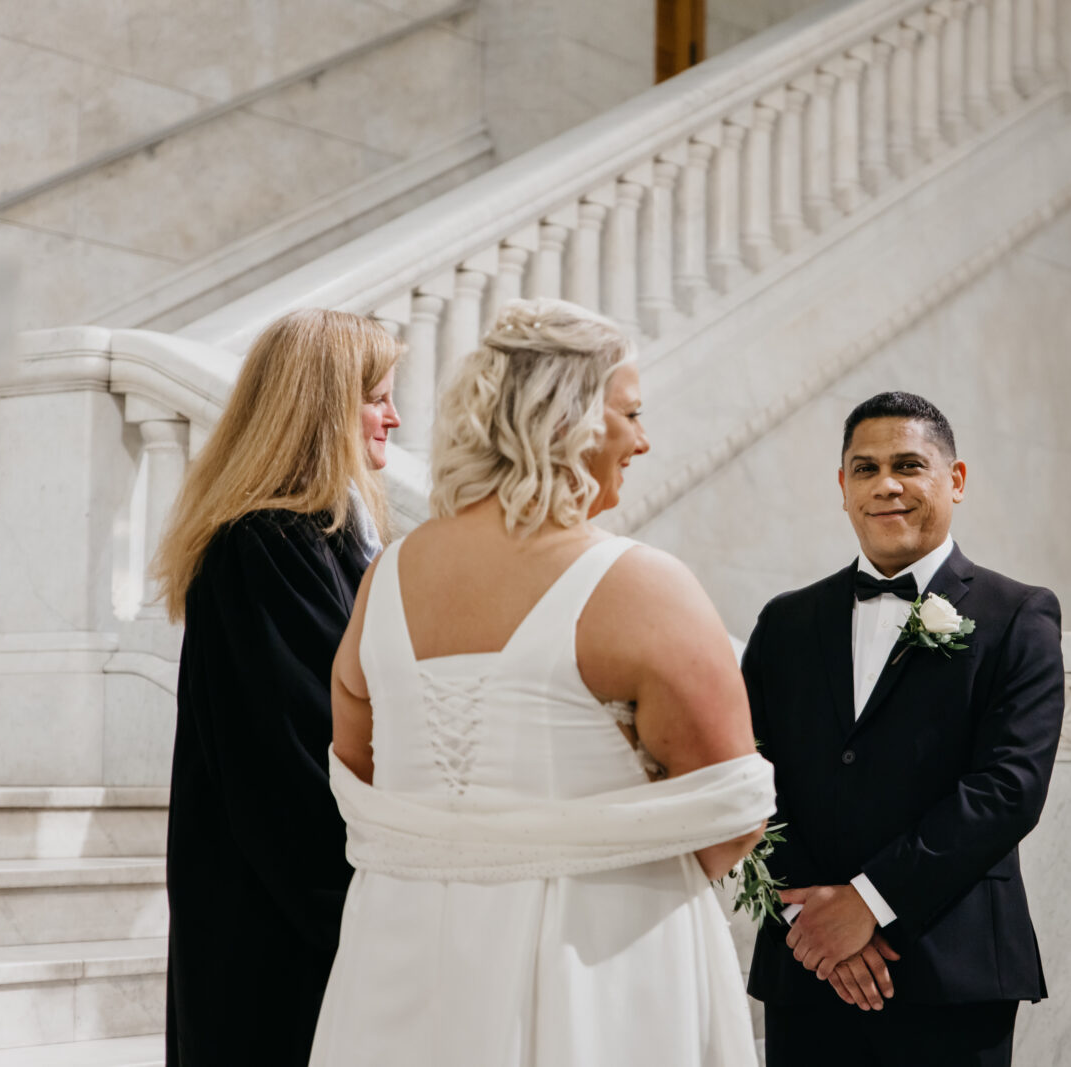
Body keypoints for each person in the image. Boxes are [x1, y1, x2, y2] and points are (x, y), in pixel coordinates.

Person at [309, 297, 774, 1066]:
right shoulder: (642, 585)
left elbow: (360, 768)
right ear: (571, 418)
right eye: (630, 412)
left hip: (403, 960)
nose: (644, 438)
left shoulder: (388, 577)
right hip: (598, 966)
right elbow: (733, 812)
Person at [744, 391, 1066, 1067]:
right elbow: (748, 772)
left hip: (950, 968)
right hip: (808, 970)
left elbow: (1008, 788)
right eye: (864, 468)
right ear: (841, 487)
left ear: (956, 479)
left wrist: (868, 901)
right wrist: (814, 920)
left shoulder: (1020, 615)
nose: (885, 484)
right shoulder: (784, 622)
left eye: (908, 464)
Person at [155, 309, 401, 1066]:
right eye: (378, 396)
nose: (393, 416)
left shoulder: (329, 539)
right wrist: (376, 926)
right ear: (323, 404)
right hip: (273, 937)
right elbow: (288, 763)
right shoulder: (263, 545)